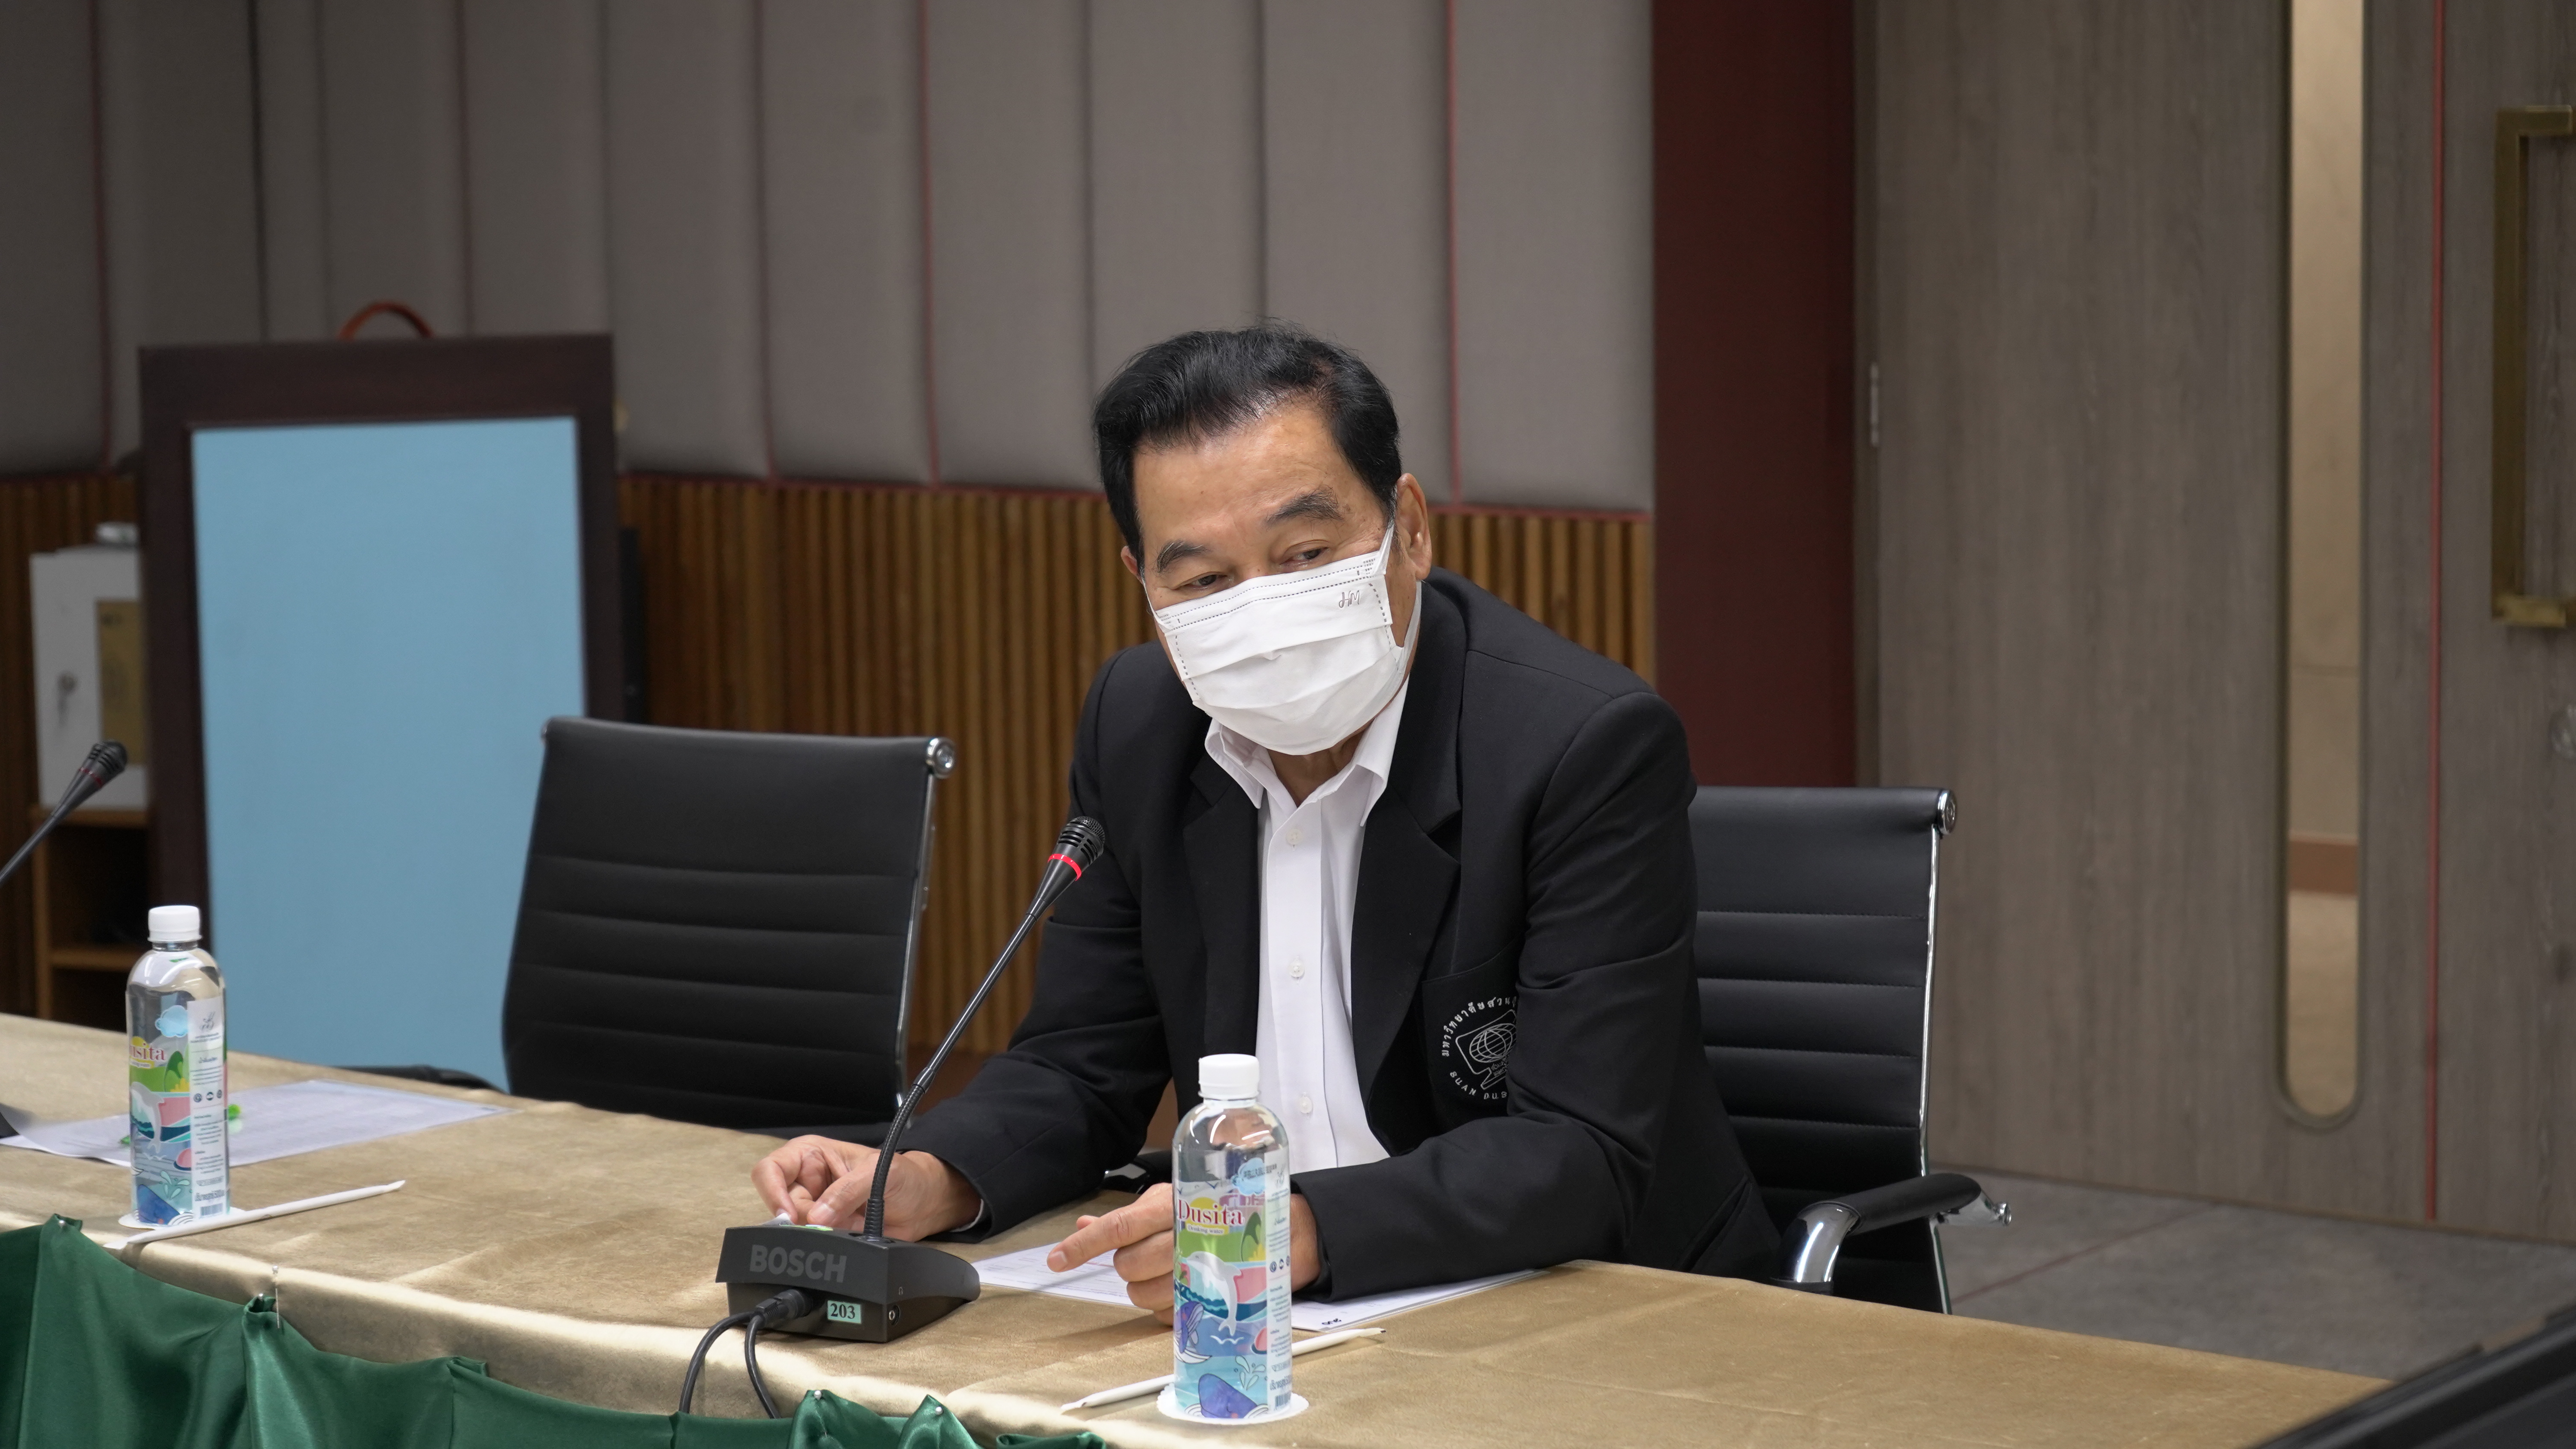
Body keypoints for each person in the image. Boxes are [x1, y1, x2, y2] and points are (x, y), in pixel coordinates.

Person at [754, 324, 1775, 1313]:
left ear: (1410, 527)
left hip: (1591, 1304)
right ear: (1145, 583)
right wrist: (935, 1172)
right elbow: (1082, 1063)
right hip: (1266, 1308)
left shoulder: (1578, 746)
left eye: (1306, 552)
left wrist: (1298, 1227)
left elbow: (1581, 1149)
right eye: (1204, 579)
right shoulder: (1140, 724)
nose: (1263, 612)